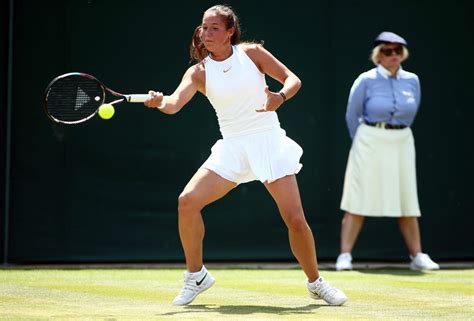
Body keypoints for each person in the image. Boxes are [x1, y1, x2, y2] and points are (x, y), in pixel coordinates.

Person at [144, 5, 347, 306]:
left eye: (214, 28)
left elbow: (292, 79)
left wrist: (280, 97)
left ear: (230, 33)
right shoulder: (198, 72)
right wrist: (159, 102)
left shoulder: (251, 54)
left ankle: (315, 282)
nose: (206, 33)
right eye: (203, 27)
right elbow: (174, 104)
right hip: (232, 146)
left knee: (294, 218)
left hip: (267, 140)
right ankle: (195, 276)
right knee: (187, 202)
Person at [336, 31, 440, 271]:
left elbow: (413, 111)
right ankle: (345, 255)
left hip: (402, 140)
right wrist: (362, 141)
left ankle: (417, 256)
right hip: (369, 140)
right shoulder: (365, 80)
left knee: (406, 197)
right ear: (378, 56)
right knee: (358, 196)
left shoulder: (412, 80)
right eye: (387, 51)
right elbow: (352, 115)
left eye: (397, 51)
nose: (393, 55)